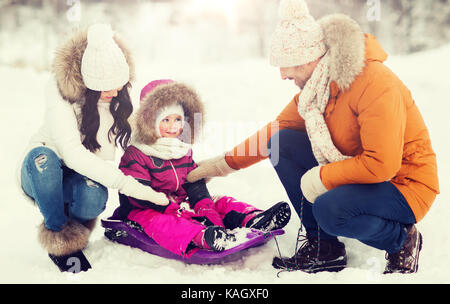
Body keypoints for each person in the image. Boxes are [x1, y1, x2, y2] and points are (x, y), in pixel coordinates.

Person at [186, 0, 439, 274]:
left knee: (330, 210)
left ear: (309, 58)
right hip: (364, 174)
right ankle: (324, 248)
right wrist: (220, 165)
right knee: (282, 142)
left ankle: (401, 241)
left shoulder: (375, 83)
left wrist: (322, 178)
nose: (283, 75)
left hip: (404, 184)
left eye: (286, 65)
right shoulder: (317, 91)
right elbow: (274, 131)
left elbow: (383, 164)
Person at [19, 24, 169, 272]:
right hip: (40, 172)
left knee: (94, 196)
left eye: (119, 84)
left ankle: (75, 228)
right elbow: (72, 153)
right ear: (90, 83)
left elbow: (143, 136)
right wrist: (130, 186)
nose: (115, 90)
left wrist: (172, 146)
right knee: (42, 159)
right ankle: (60, 237)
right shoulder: (60, 91)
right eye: (107, 86)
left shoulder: (116, 97)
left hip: (78, 177)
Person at [114, 79, 291, 257]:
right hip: (146, 210)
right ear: (149, 122)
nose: (173, 126)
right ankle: (202, 237)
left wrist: (210, 216)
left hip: (180, 203)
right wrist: (173, 209)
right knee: (164, 223)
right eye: (165, 120)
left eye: (178, 119)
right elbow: (137, 196)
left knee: (221, 202)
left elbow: (195, 188)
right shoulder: (137, 153)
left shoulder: (181, 150)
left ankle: (253, 218)